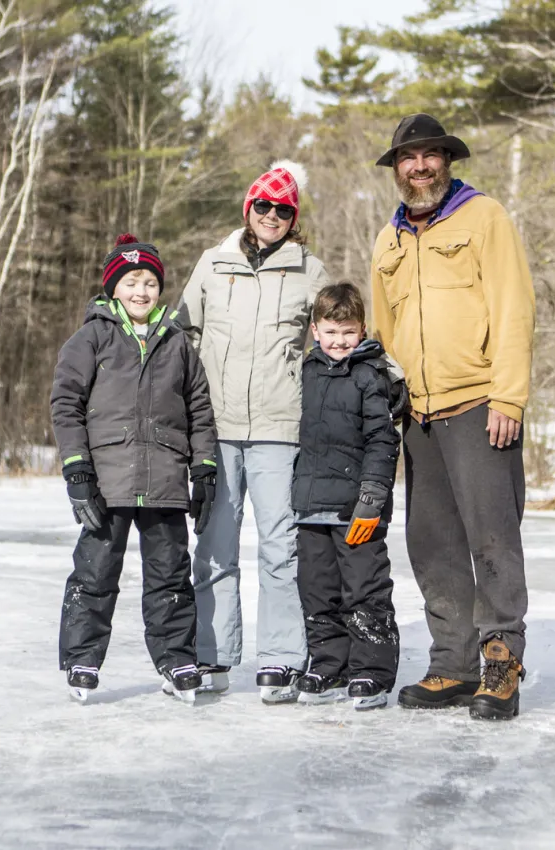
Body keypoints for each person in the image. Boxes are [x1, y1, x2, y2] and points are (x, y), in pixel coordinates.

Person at [369, 114, 537, 721]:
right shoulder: (388, 240)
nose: (420, 167)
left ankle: (500, 662)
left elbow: (514, 307)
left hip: (478, 404)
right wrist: (389, 400)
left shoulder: (482, 217)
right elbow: (384, 331)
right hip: (418, 414)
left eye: (430, 155)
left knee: (492, 537)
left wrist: (509, 397)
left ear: (447, 160)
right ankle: (454, 664)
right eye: (408, 159)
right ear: (396, 169)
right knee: (432, 543)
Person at [177, 161, 330, 703]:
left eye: (282, 209)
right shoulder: (212, 264)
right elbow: (180, 336)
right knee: (215, 546)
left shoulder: (310, 271)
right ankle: (213, 654)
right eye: (263, 206)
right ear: (248, 208)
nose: (271, 216)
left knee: (279, 547)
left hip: (278, 427)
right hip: (214, 428)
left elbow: (339, 338)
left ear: (293, 216)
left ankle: (282, 658)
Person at [51, 234, 218, 705]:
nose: (141, 291)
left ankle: (176, 658)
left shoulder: (177, 342)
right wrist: (77, 469)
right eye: (131, 282)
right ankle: (82, 658)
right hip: (108, 479)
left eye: (149, 282)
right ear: (113, 289)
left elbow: (199, 410)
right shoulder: (92, 338)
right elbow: (66, 404)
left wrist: (204, 469)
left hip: (165, 478)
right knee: (95, 573)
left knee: (169, 576)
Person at [290, 282, 405, 710]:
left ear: (362, 331)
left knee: (364, 588)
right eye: (331, 332)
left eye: (349, 332)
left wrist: (372, 497)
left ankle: (371, 671)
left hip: (356, 508)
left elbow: (381, 439)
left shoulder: (369, 375)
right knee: (317, 590)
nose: (340, 342)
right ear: (315, 331)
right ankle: (328, 664)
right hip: (310, 507)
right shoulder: (306, 371)